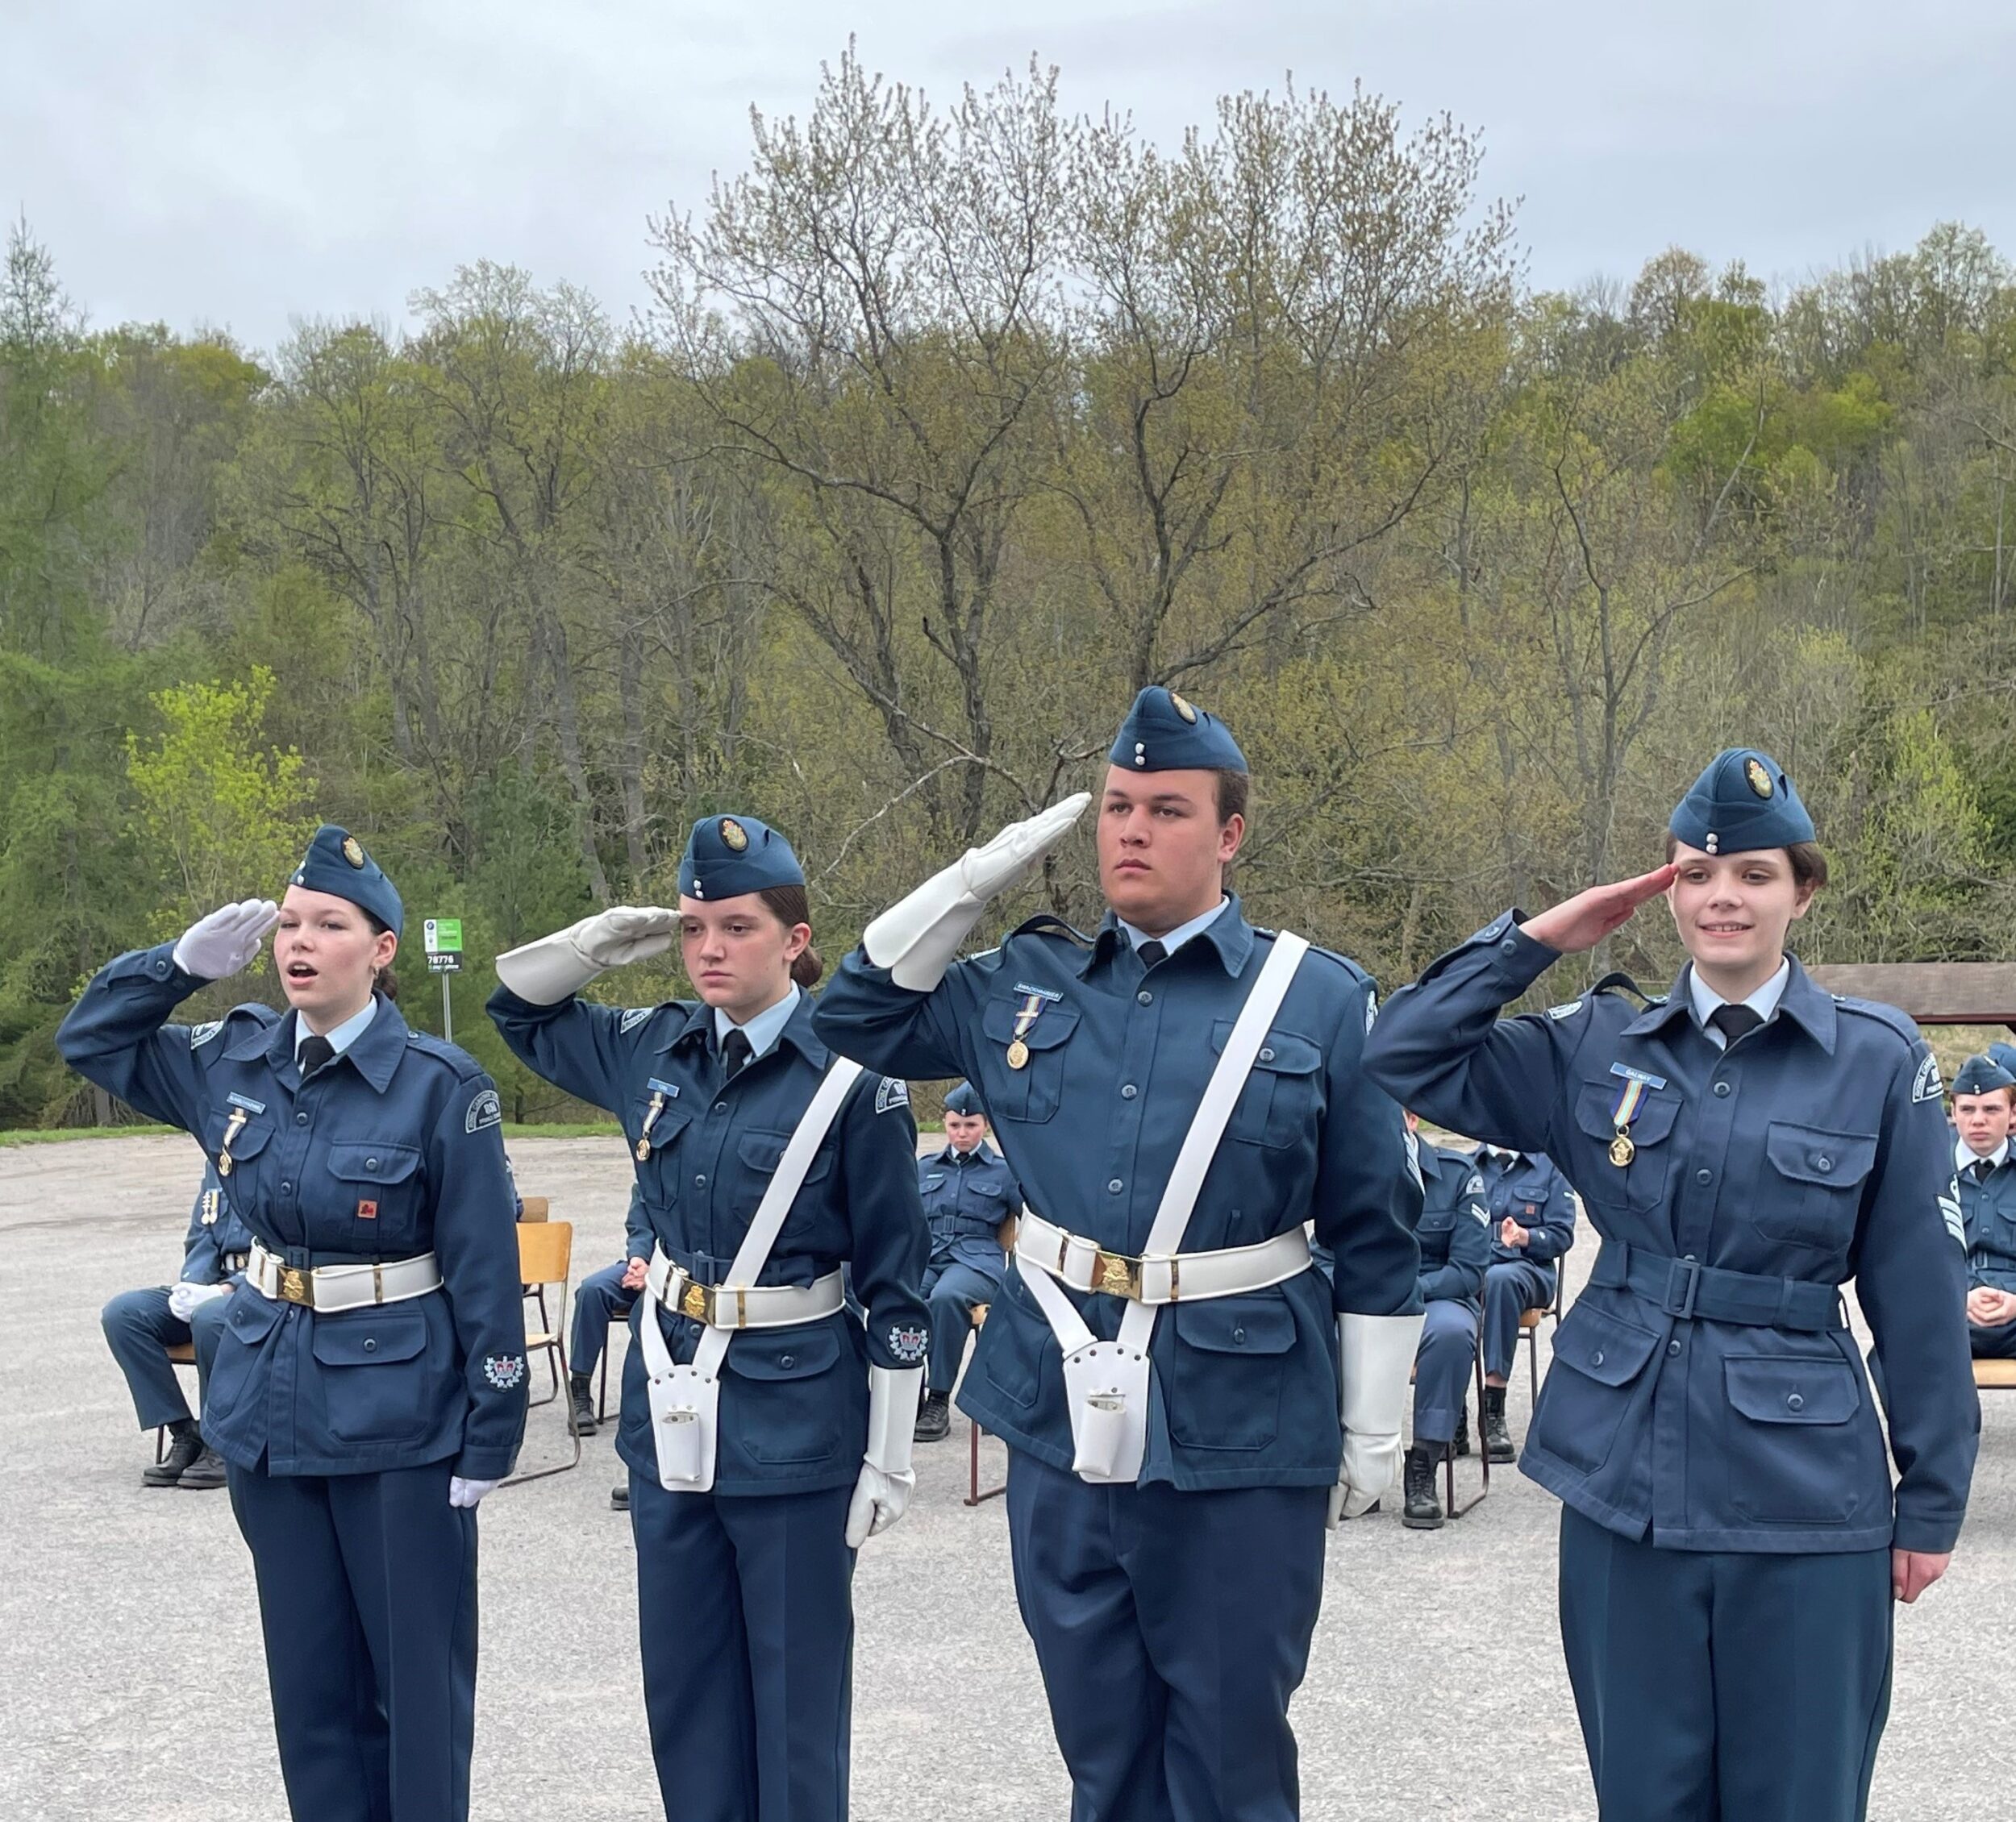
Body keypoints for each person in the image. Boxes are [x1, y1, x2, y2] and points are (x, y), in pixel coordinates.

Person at [814, 685, 1422, 1822]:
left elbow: (1374, 1233)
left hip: (1241, 1430)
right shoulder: (1019, 984)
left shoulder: (1321, 1000)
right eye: (1117, 805)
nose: (1132, 830)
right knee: (1099, 1750)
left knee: (1234, 1755)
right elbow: (851, 1016)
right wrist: (966, 885)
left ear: (1230, 834)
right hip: (1059, 1412)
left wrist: (1374, 1426)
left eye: (1168, 810)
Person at [1362, 747, 1978, 1822]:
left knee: (1802, 1800)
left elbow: (1918, 1293)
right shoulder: (1595, 1043)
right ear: (1664, 891)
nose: (1722, 897)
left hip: (1804, 1498)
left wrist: (1930, 1497)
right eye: (1695, 874)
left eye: (1753, 874)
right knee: (1643, 1798)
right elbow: (1403, 1053)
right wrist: (1537, 942)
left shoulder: (1878, 1061)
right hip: (1622, 1480)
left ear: (1804, 891)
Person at [57, 825, 527, 1822]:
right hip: (270, 1411)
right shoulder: (231, 1061)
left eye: (330, 923)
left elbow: (486, 1271)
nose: (298, 941)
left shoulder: (443, 1087)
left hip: (403, 1422)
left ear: (383, 948)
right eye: (287, 923)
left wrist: (494, 1428)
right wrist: (172, 970)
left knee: (416, 1694)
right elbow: (91, 1039)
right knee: (310, 1695)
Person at [488, 812, 931, 1822]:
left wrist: (893, 1450)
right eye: (693, 930)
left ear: (796, 938)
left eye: (735, 927)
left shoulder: (857, 1082)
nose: (709, 950)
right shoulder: (653, 1046)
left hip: (797, 1421)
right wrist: (602, 942)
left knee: (794, 1702)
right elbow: (515, 1009)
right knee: (684, 1690)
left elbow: (899, 1284)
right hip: (671, 1405)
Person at [100, 1159, 256, 1491]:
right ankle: (185, 1433)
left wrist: (228, 1288)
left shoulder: (281, 1156)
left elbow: (283, 1247)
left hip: (261, 1290)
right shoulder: (220, 1158)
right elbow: (202, 1233)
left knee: (209, 1317)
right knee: (124, 1314)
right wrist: (193, 1284)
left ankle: (222, 1443)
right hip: (213, 1285)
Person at [914, 1080, 1023, 1442]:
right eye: (955, 1125)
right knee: (901, 1297)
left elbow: (1036, 1218)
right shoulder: (924, 1167)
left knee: (946, 1298)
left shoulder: (1005, 1172)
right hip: (928, 1257)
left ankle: (938, 1399)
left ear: (985, 1127)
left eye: (971, 1125)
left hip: (977, 1262)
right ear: (944, 1125)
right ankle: (907, 1392)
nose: (962, 1133)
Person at [1401, 1116, 1492, 1529]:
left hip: (1439, 1295)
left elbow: (1469, 1270)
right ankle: (1352, 1462)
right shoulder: (1353, 1171)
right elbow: (1328, 1254)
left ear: (1412, 1119)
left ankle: (1424, 1463)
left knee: (1451, 1332)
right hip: (1369, 1294)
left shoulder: (1458, 1175)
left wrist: (1410, 1291)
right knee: (1321, 1322)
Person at [1472, 1143, 1577, 1462]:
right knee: (1447, 1289)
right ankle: (1452, 1416)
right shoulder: (1465, 1167)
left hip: (1530, 1271)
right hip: (1475, 1269)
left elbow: (1562, 1235)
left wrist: (1525, 1238)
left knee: (1500, 1281)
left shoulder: (1551, 1168)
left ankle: (1493, 1408)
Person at [564, 1183, 650, 1439]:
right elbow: (640, 1226)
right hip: (644, 1266)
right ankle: (579, 1389)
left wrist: (656, 1275)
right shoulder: (650, 1172)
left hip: (682, 1273)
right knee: (592, 1291)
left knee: (653, 1304)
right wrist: (638, 1260)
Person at [1948, 1053, 2016, 1358]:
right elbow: (1905, 1257)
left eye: (1991, 1109)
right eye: (1968, 1109)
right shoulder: (1923, 1172)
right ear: (1953, 1112)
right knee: (1893, 1355)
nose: (1978, 1120)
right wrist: (1955, 1299)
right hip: (1948, 1313)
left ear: (2013, 1113)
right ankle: (1951, 1411)